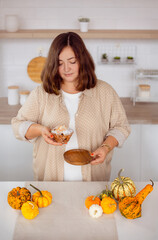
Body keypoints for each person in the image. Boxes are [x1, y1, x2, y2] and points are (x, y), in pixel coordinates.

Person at [11, 32, 131, 181]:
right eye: (60, 63)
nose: (66, 68)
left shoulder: (104, 92)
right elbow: (18, 125)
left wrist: (106, 147)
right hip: (50, 182)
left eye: (72, 61)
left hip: (94, 180)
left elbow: (121, 127)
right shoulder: (42, 93)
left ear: (83, 60)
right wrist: (41, 130)